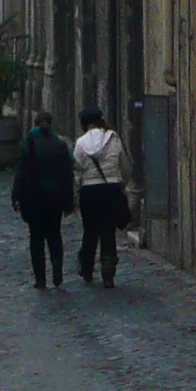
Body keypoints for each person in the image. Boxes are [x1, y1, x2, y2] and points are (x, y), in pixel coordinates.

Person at [10, 114, 74, 289]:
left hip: (33, 200)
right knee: (55, 234)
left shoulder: (29, 144)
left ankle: (40, 278)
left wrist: (16, 197)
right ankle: (57, 266)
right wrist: (69, 202)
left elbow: (21, 173)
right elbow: (67, 175)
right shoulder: (60, 145)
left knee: (36, 238)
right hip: (55, 199)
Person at [73, 107, 130, 289]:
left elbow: (77, 169)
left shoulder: (81, 143)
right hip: (111, 188)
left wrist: (77, 189)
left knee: (90, 230)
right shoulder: (114, 139)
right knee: (108, 231)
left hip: (89, 191)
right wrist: (122, 183)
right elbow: (126, 165)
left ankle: (87, 267)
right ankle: (108, 270)